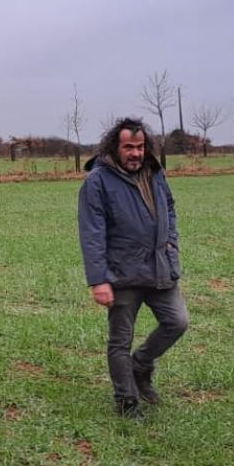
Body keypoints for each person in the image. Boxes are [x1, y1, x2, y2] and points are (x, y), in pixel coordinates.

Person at [77, 117, 189, 421]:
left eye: (140, 147)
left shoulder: (155, 172)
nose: (135, 153)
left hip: (159, 268)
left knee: (177, 322)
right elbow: (92, 234)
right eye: (129, 147)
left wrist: (171, 245)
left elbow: (170, 210)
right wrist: (99, 280)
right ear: (115, 146)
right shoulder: (97, 181)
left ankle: (141, 366)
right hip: (121, 274)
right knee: (119, 341)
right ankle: (126, 400)